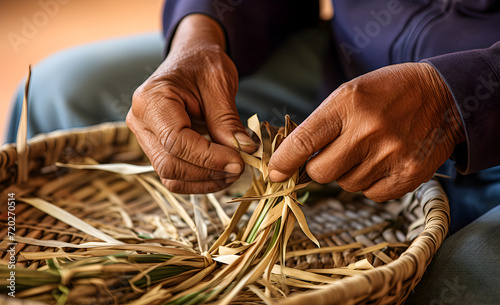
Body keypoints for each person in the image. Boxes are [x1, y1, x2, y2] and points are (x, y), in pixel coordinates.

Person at [6, 1, 500, 303]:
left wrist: (459, 97)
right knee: (61, 91)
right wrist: (201, 30)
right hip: (349, 68)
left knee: (460, 281)